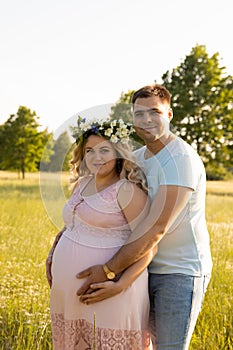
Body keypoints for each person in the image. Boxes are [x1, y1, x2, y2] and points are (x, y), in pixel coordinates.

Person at [75, 84, 213, 350]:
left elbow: (157, 228)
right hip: (141, 268)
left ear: (169, 114)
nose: (146, 120)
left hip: (178, 272)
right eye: (139, 114)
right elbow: (104, 205)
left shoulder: (180, 159)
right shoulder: (136, 158)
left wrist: (109, 271)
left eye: (154, 112)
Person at [46, 117, 156, 349]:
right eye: (90, 151)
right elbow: (75, 226)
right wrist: (54, 253)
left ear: (118, 153)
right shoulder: (82, 184)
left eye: (104, 150)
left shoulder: (126, 190)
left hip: (112, 293)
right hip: (70, 296)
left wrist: (121, 284)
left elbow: (149, 246)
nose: (96, 157)